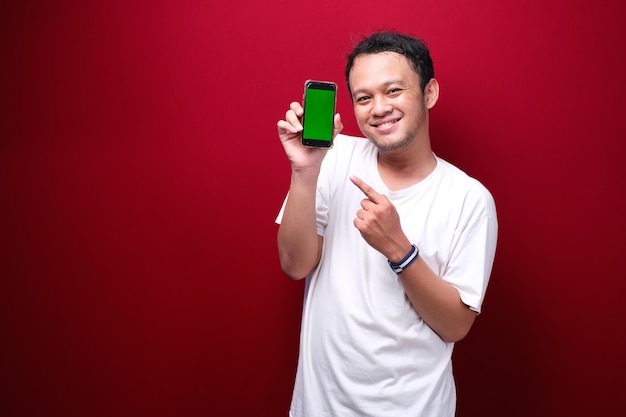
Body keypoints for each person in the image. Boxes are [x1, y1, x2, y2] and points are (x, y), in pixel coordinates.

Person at [275, 31, 498, 417]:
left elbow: (455, 326)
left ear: (429, 94)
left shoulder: (469, 198)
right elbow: (295, 265)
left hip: (415, 408)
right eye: (364, 97)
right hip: (320, 407)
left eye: (393, 91)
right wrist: (305, 171)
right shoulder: (332, 155)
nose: (378, 108)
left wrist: (399, 249)